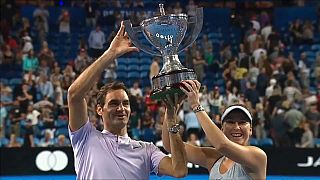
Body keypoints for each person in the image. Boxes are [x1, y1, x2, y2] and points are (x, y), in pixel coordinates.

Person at [68, 21, 187, 179]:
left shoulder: (147, 150)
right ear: (99, 109)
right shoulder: (85, 138)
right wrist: (111, 54)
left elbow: (179, 170)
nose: (121, 108)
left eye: (125, 103)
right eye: (114, 103)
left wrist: (171, 117)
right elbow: (74, 95)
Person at [162, 80, 267, 179]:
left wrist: (196, 105)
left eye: (242, 122)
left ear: (251, 130)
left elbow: (222, 145)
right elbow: (169, 145)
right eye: (230, 122)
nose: (236, 127)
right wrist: (171, 111)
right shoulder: (214, 158)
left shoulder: (258, 156)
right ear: (222, 129)